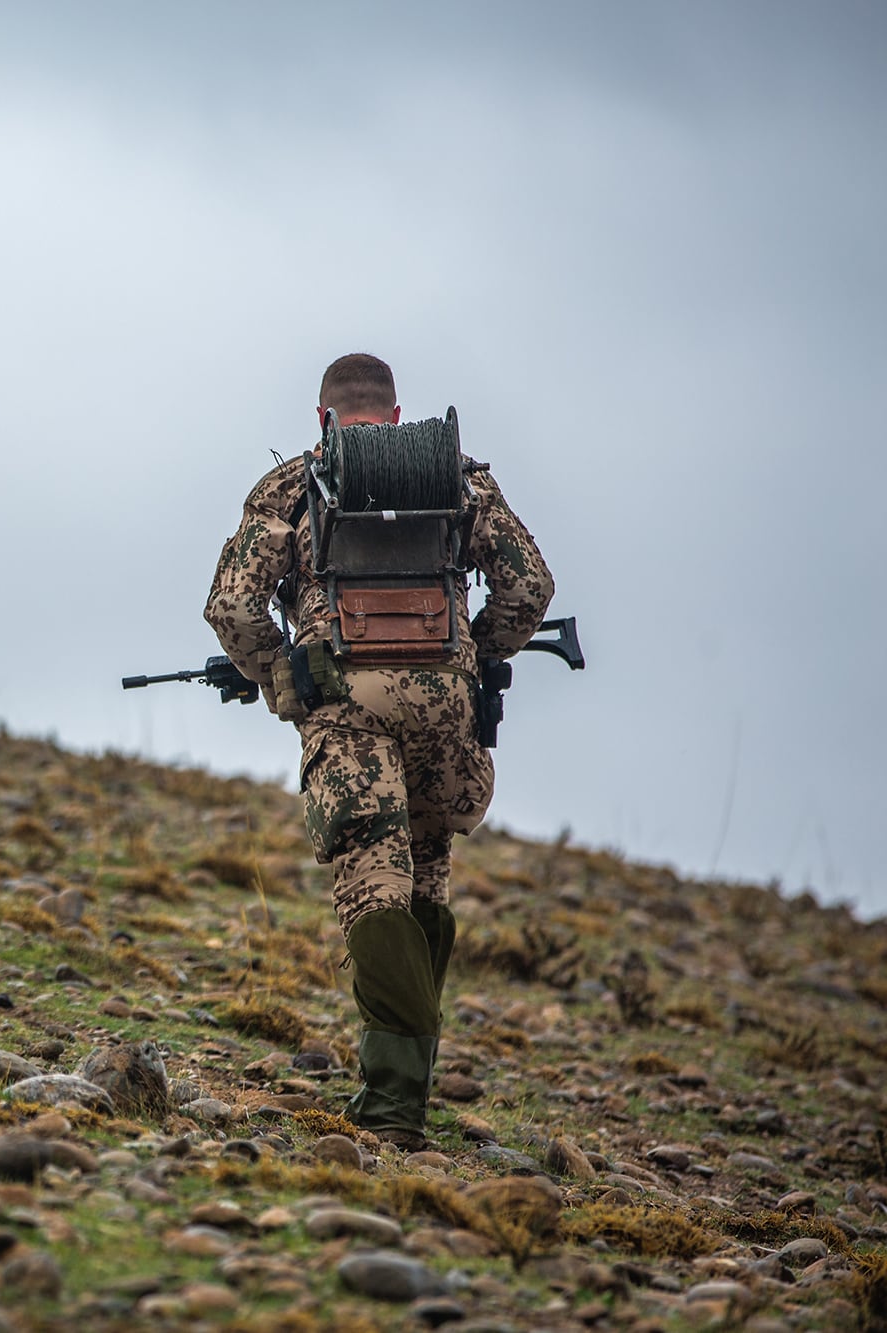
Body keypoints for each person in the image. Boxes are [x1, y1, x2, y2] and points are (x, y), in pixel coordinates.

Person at [202, 353, 554, 1150]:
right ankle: (412, 1080)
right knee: (427, 873)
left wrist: (285, 682)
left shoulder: (293, 484)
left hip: (346, 706)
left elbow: (231, 605)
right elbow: (530, 586)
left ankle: (393, 1108)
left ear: (323, 418)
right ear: (397, 420)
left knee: (373, 889)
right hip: (445, 708)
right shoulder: (457, 477)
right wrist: (479, 656)